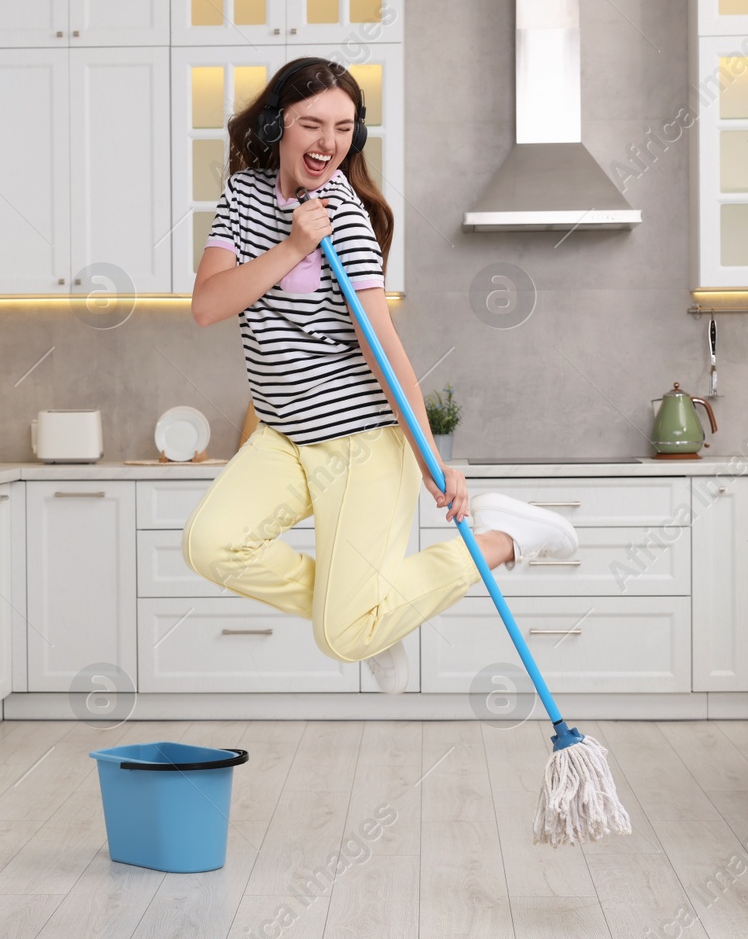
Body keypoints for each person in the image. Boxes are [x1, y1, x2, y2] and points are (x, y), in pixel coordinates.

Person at [183, 57, 578, 692]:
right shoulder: (243, 196)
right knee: (210, 546)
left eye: (343, 128)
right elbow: (208, 305)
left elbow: (383, 350)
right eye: (311, 124)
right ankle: (376, 614)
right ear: (275, 126)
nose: (327, 143)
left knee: (343, 637)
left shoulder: (347, 219)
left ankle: (506, 539)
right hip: (283, 436)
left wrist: (430, 458)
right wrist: (291, 248)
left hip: (358, 440)